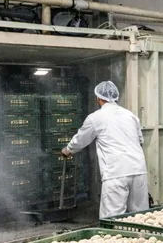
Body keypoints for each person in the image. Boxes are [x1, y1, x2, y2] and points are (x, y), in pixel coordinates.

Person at [62, 80, 149, 219]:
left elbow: (81, 139)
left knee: (113, 217)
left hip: (116, 172)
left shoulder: (96, 118)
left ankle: (115, 240)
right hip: (138, 169)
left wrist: (68, 150)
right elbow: (140, 141)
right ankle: (142, 239)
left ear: (98, 97)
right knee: (140, 216)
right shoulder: (130, 115)